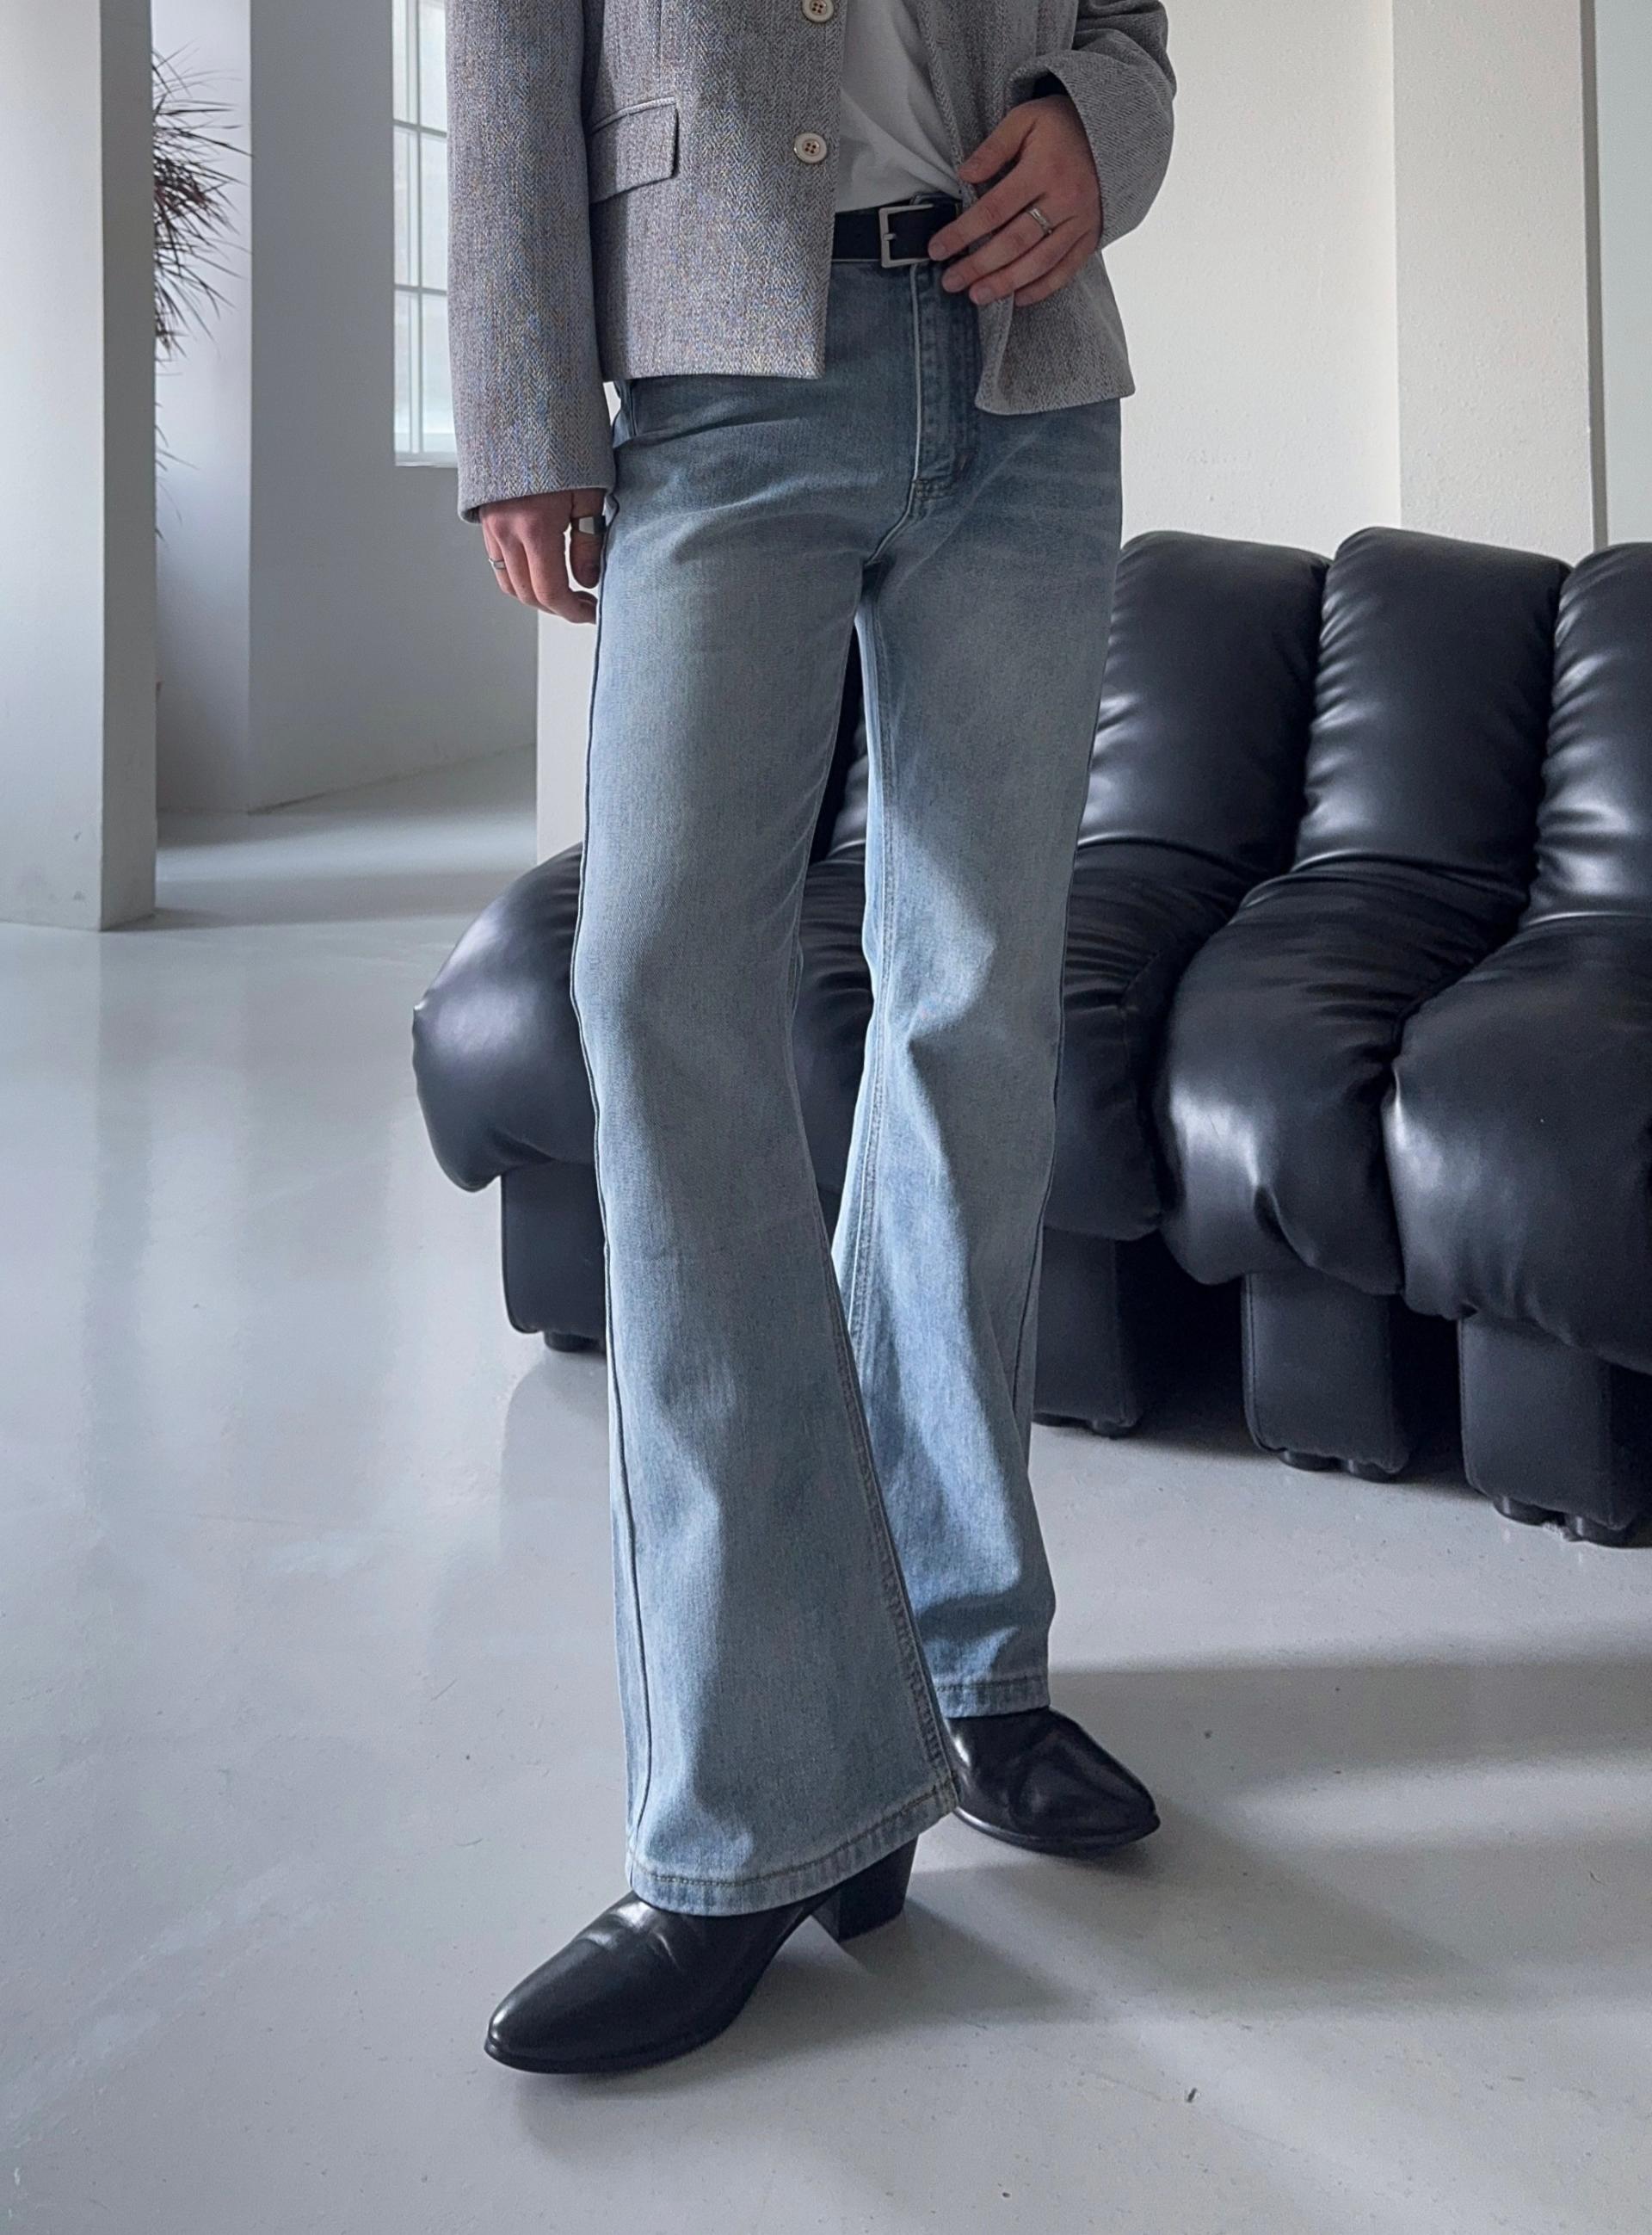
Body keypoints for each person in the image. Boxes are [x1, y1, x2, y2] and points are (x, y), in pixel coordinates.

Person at [447, 0, 1175, 2076]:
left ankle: (963, 1663)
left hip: (1027, 382)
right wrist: (520, 408)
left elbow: (1127, 30)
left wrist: (1095, 127)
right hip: (722, 374)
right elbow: (504, 53)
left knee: (976, 1014)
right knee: (658, 990)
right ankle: (761, 1801)